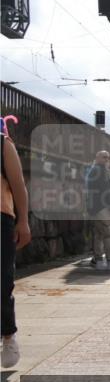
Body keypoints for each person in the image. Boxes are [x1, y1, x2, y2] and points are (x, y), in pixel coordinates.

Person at [1, 116, 31, 367]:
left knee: (2, 283)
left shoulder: (3, 145)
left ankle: (8, 335)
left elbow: (19, 185)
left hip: (1, 219)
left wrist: (23, 221)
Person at [85, 151, 110, 271]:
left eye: (108, 157)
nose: (107, 159)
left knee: (99, 234)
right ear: (97, 158)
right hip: (103, 207)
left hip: (94, 208)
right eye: (104, 157)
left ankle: (98, 261)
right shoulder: (101, 170)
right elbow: (106, 189)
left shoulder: (92, 170)